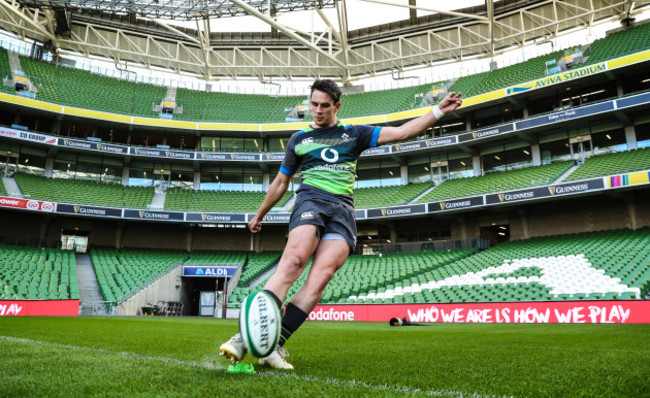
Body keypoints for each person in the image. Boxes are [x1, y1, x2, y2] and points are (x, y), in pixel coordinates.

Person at [220, 79, 462, 369]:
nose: (318, 111)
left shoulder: (355, 134)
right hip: (311, 201)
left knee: (320, 277)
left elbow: (401, 132)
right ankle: (244, 338)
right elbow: (282, 181)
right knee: (294, 262)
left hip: (343, 211)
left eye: (324, 105)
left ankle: (274, 346)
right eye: (313, 104)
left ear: (336, 106)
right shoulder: (299, 140)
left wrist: (438, 111)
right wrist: (260, 214)